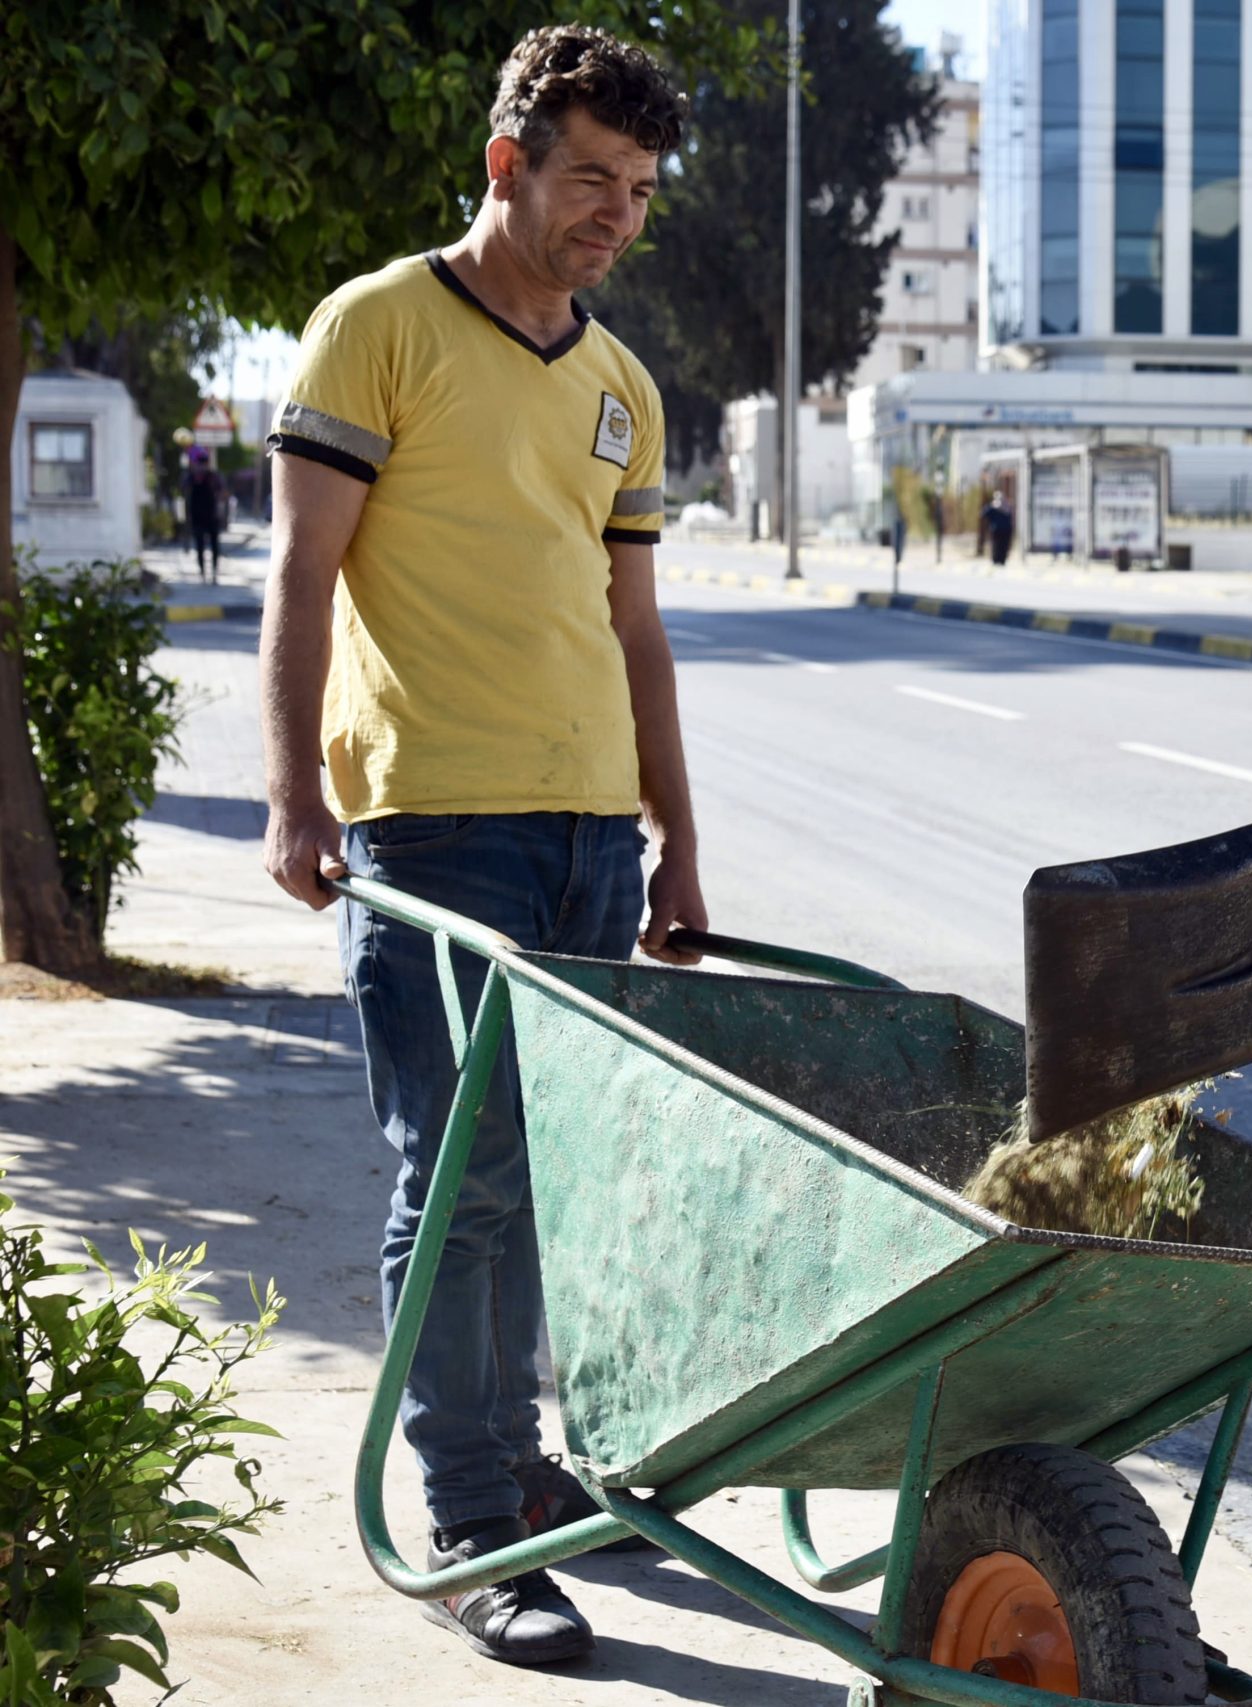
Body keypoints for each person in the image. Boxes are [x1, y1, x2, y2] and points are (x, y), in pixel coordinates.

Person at [257, 25, 705, 1669]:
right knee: (458, 1180)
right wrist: (296, 799)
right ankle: (466, 1513)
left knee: (548, 1179)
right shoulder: (380, 327)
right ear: (509, 162)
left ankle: (516, 1457)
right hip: (434, 822)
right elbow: (303, 577)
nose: (616, 213)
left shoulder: (620, 385)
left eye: (642, 190)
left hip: (593, 834)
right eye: (590, 176)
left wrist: (679, 844)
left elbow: (638, 635)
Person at [184, 451, 226, 582]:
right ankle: (202, 572)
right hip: (197, 517)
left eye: (204, 464)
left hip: (211, 516)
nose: (202, 467)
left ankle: (214, 572)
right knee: (200, 546)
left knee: (214, 546)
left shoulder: (213, 477)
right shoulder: (191, 477)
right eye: (199, 464)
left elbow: (222, 493)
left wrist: (220, 511)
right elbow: (183, 490)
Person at [983, 490, 1014, 566]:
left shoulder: (995, 506)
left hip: (999, 530)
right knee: (1000, 546)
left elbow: (984, 514)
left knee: (998, 546)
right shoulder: (1005, 506)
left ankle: (998, 560)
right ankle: (999, 560)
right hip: (1003, 530)